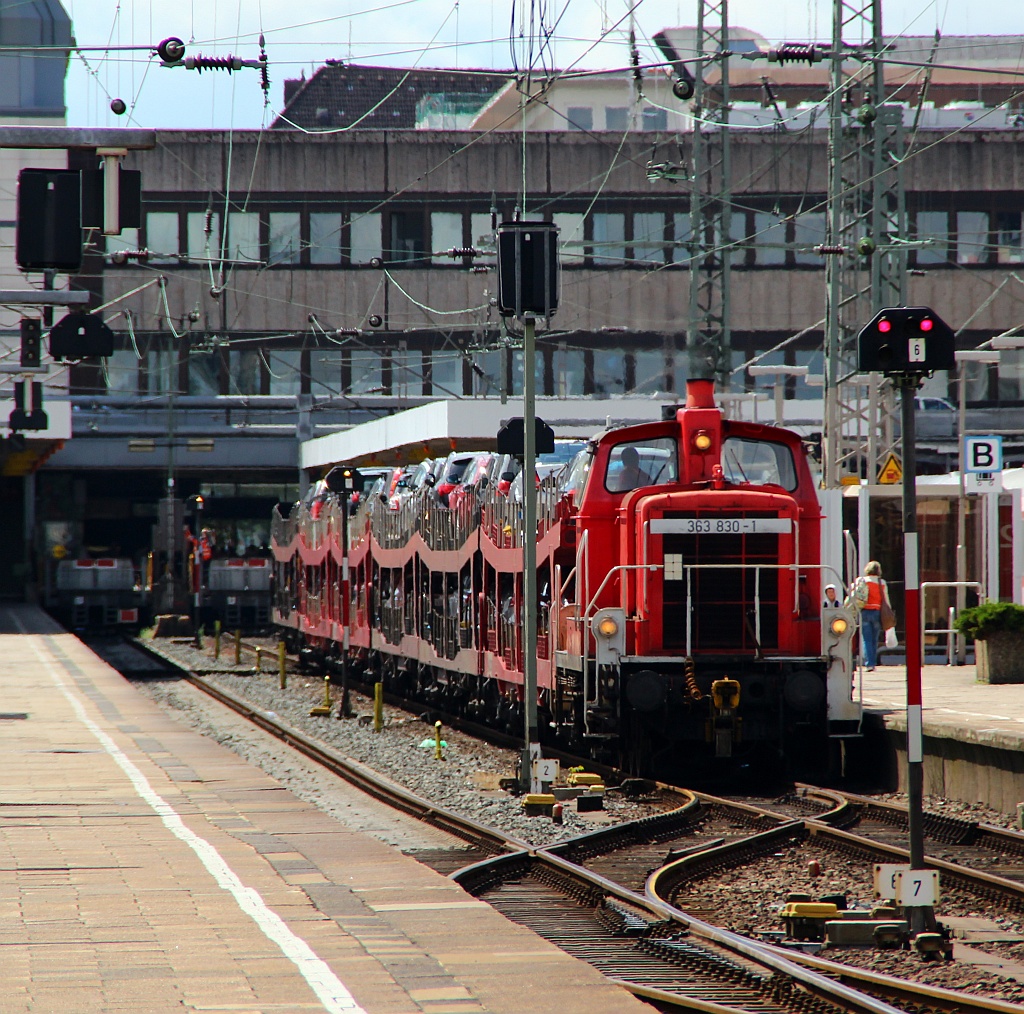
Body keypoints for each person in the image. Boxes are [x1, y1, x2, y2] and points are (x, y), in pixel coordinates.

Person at [855, 561, 891, 671]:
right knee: (874, 639)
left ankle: (869, 663)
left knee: (866, 639)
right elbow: (886, 599)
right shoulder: (882, 583)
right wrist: (889, 612)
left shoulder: (862, 581)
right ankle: (873, 662)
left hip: (865, 612)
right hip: (877, 612)